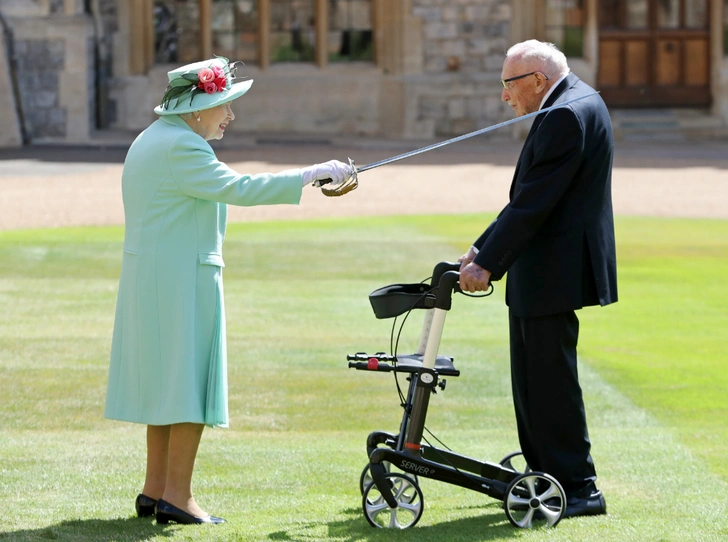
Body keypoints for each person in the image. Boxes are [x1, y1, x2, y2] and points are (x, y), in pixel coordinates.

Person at [103, 56, 351, 525]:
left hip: (156, 278)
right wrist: (311, 173)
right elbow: (239, 188)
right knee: (189, 385)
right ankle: (177, 496)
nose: (229, 116)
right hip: (180, 280)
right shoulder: (183, 146)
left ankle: (155, 490)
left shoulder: (153, 138)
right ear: (198, 108)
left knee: (166, 386)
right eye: (224, 105)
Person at [458, 40, 617, 519]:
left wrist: (487, 262)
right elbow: (530, 196)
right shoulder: (573, 101)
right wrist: (481, 247)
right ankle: (546, 471)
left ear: (537, 82)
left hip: (553, 269)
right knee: (532, 380)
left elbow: (535, 203)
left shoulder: (566, 114)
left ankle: (579, 487)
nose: (505, 97)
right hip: (544, 267)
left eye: (508, 85)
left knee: (549, 382)